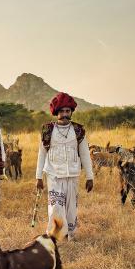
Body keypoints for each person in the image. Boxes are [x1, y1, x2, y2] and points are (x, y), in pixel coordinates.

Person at [36, 92, 94, 240]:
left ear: (71, 112)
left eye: (67, 111)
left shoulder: (78, 130)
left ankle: (70, 235)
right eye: (61, 111)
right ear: (56, 112)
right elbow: (42, 154)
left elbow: (85, 154)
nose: (65, 114)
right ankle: (54, 236)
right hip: (54, 175)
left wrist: (89, 176)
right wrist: (38, 177)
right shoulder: (47, 130)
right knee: (55, 207)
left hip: (73, 175)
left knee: (71, 209)